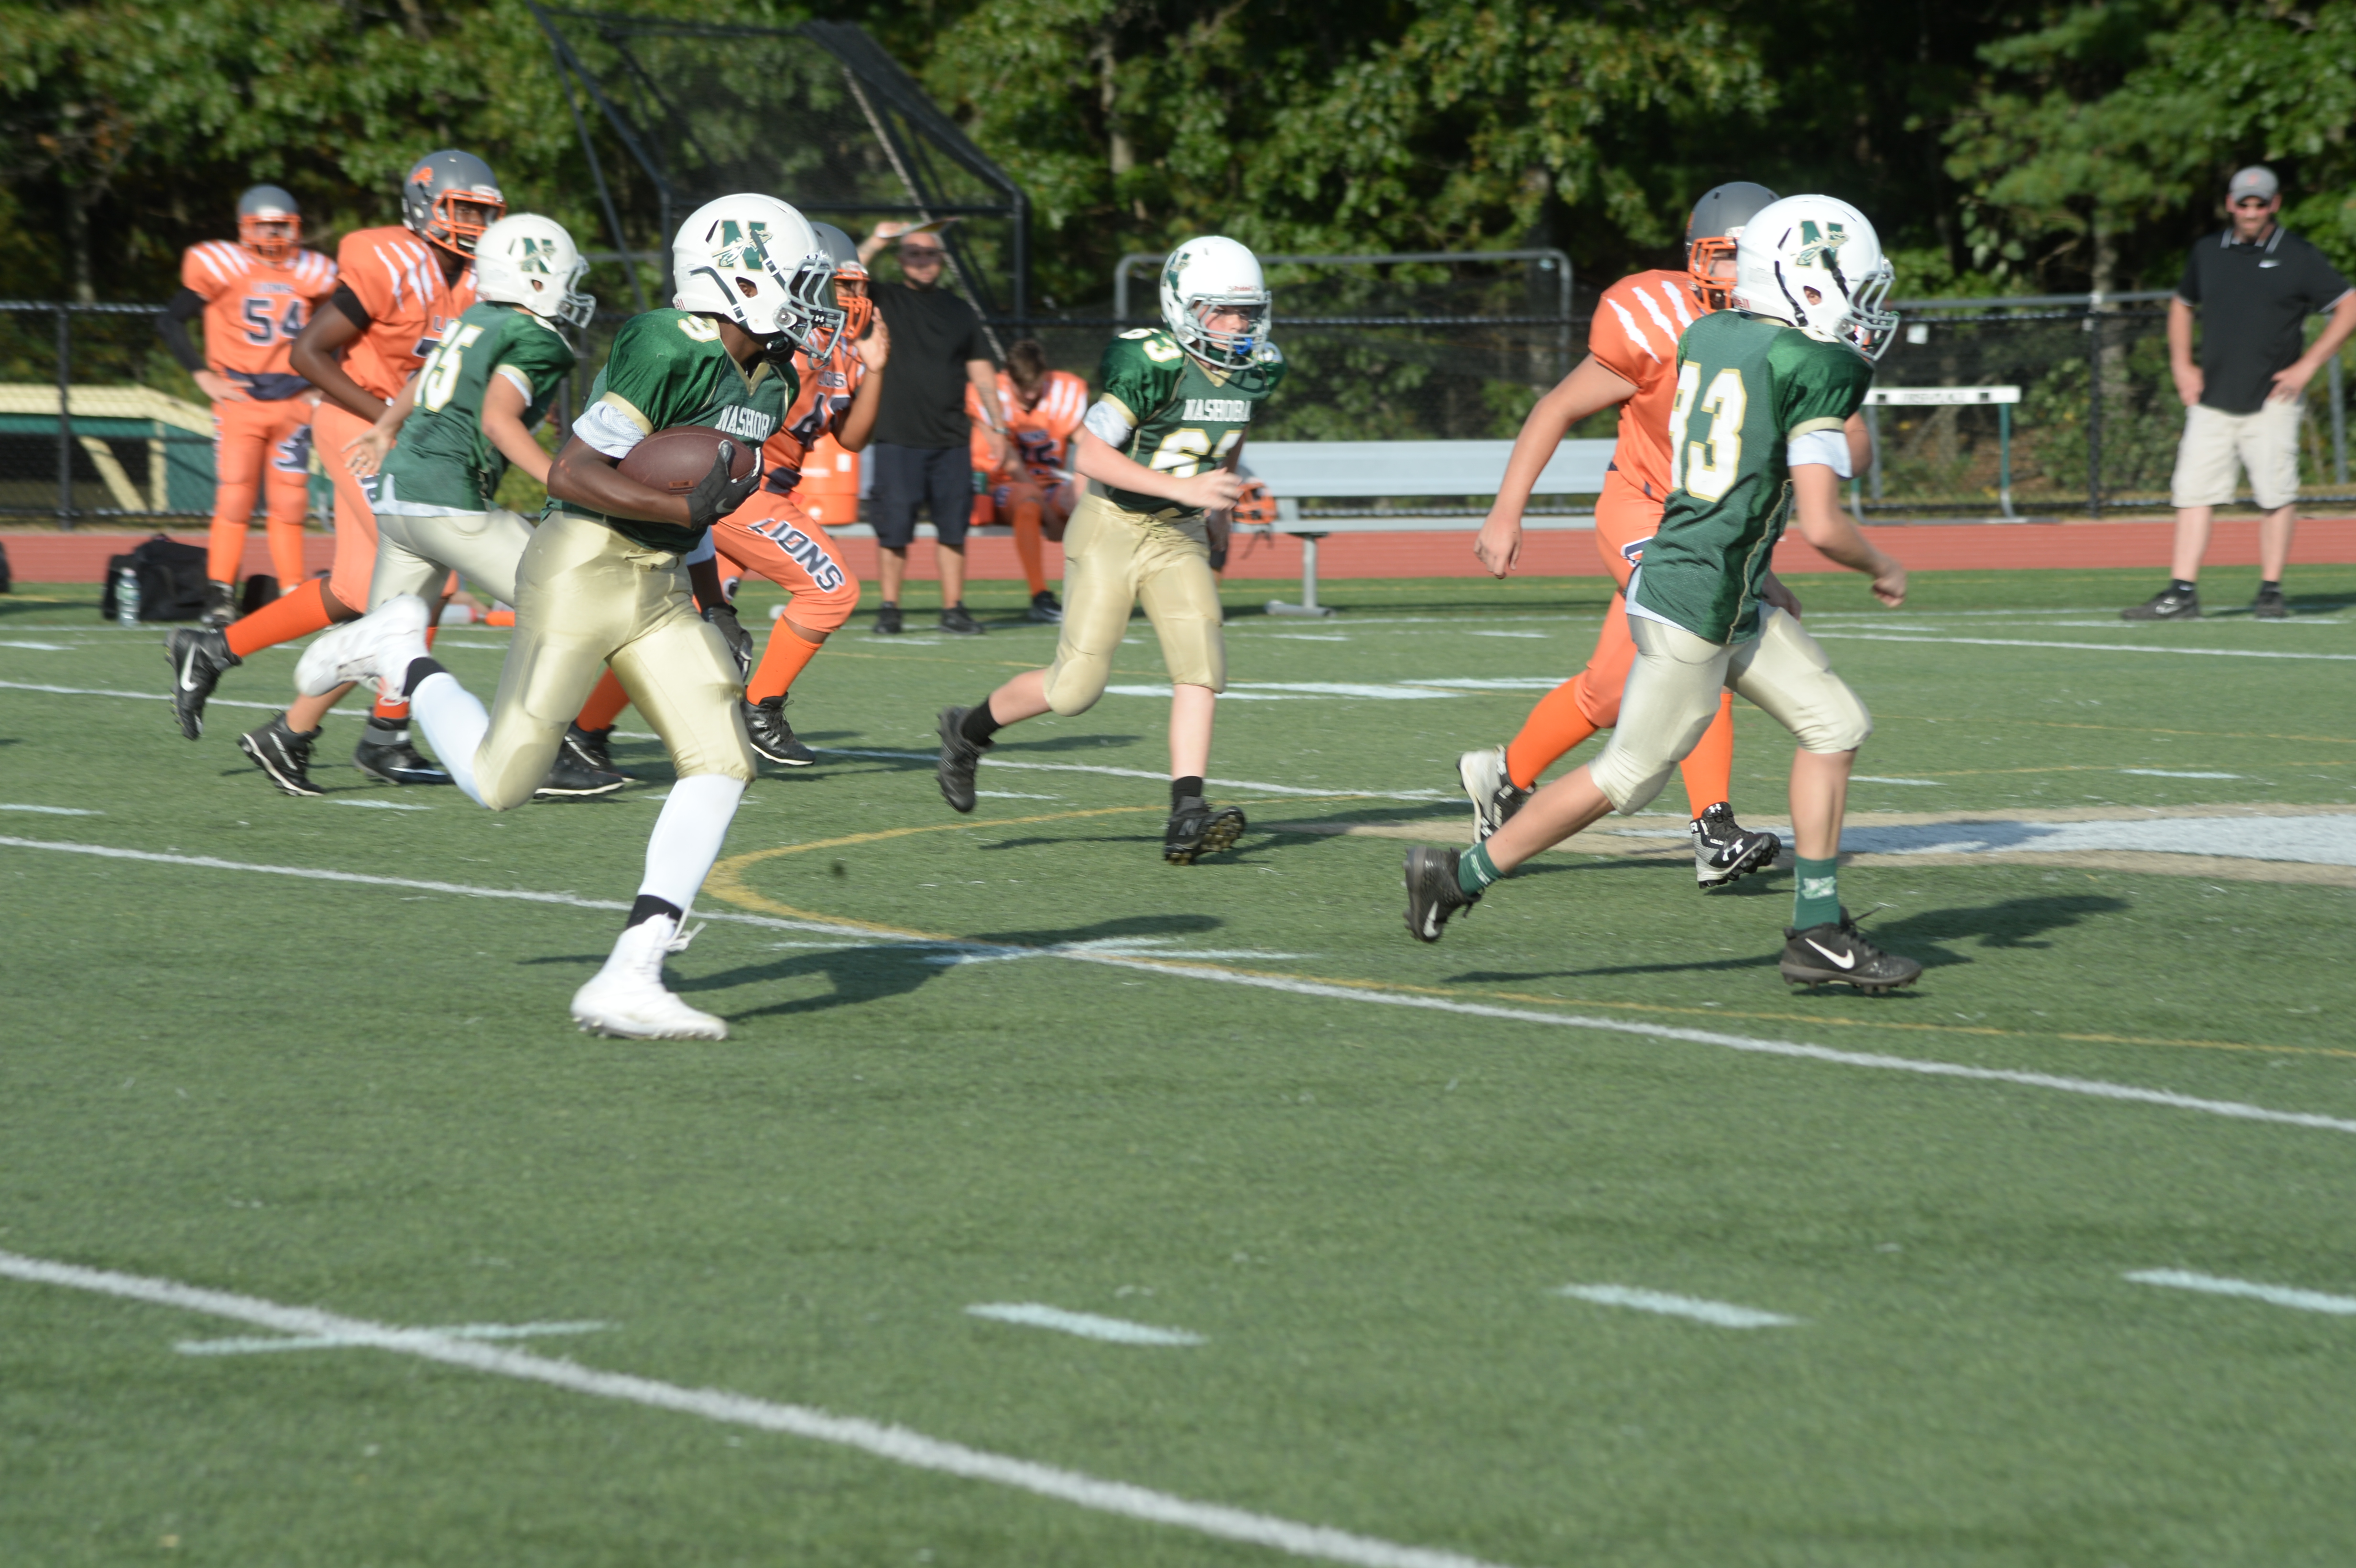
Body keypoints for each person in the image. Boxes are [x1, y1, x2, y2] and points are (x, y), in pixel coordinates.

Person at [290, 194, 842, 1039]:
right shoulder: (665, 342)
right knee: (502, 783)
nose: (813, 303)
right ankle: (401, 653)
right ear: (742, 277)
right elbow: (573, 472)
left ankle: (631, 974)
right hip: (583, 566)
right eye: (799, 281)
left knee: (722, 761)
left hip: (659, 583)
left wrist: (712, 596)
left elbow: (702, 500)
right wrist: (680, 513)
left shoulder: (775, 379)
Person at [1402, 196, 1922, 994]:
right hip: (1697, 598)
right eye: (1853, 286)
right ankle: (1457, 874)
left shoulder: (1713, 334)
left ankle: (1817, 930)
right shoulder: (1816, 365)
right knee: (1627, 777)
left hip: (1714, 577)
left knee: (1835, 724)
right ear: (1805, 284)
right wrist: (1882, 565)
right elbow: (1822, 524)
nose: (1865, 307)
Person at [1462, 182, 1863, 893]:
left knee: (1609, 693)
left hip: (1713, 526)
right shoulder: (1655, 317)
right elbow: (1556, 407)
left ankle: (1502, 774)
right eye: (1723, 254)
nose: (1734, 271)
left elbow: (1851, 446)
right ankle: (1714, 826)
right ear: (1696, 257)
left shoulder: (1799, 335)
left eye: (1747, 253)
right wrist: (1505, 512)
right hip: (1642, 509)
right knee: (1710, 633)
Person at [164, 149, 504, 793]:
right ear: (424, 206)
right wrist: (388, 422)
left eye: (484, 213)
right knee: (424, 572)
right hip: (359, 422)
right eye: (462, 210)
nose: (475, 226)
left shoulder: (479, 278)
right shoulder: (392, 260)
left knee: (355, 592)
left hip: (402, 432)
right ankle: (382, 735)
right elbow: (308, 352)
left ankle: (222, 659)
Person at [934, 235, 1281, 865]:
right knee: (1074, 689)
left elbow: (1233, 427)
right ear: (1182, 306)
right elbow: (1090, 456)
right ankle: (967, 729)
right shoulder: (1148, 359)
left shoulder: (1257, 366)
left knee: (1201, 665)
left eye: (1246, 312)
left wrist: (1219, 502)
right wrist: (1187, 488)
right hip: (1112, 526)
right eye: (1222, 311)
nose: (1236, 325)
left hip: (1178, 533)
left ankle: (1186, 811)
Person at [321, 214, 622, 806]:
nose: (572, 289)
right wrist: (564, 481)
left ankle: (346, 702)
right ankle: (539, 752)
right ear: (535, 279)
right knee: (571, 606)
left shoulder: (474, 318)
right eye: (565, 276)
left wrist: (385, 428)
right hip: (448, 503)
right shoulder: (535, 338)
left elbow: (427, 374)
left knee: (392, 635)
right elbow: (498, 422)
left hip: (399, 495)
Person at [567, 221, 889, 772]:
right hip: (741, 486)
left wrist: (875, 369)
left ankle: (584, 733)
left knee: (685, 618)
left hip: (759, 492)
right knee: (831, 591)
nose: (852, 301)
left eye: (857, 288)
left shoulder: (835, 349)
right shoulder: (776, 343)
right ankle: (760, 710)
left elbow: (852, 438)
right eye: (839, 287)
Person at [2126, 165, 2356, 622]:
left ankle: (2270, 591)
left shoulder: (2298, 255)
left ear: (2275, 205)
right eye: (2244, 203)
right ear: (2230, 204)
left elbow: (2348, 306)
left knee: (2276, 495)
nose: (2251, 212)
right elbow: (2182, 304)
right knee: (2193, 494)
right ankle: (2182, 593)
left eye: (2260, 204)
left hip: (2273, 400)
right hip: (2212, 400)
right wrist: (2182, 365)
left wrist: (2308, 365)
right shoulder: (2207, 251)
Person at [154, 185, 339, 627]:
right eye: (264, 226)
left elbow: (339, 331)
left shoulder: (315, 270)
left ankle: (293, 591)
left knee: (290, 503)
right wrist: (203, 375)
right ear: (244, 229)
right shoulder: (222, 265)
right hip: (241, 400)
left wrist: (323, 384)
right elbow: (170, 320)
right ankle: (221, 593)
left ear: (296, 228)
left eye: (281, 226)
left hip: (294, 400)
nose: (273, 234)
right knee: (235, 497)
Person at [854, 221, 1009, 634]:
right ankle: (890, 609)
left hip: (952, 440)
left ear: (941, 260)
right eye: (914, 253)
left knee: (954, 529)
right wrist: (878, 240)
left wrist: (998, 427)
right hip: (897, 437)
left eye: (930, 254)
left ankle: (954, 610)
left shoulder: (961, 311)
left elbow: (982, 371)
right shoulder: (883, 298)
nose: (923, 261)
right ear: (901, 259)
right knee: (893, 530)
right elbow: (845, 279)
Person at [966, 338, 1088, 623]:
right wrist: (1052, 519)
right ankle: (1040, 596)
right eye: (1024, 387)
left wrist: (1085, 492)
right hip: (998, 486)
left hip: (1047, 483)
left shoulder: (1063, 391)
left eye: (1037, 385)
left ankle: (1098, 591)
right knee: (1027, 500)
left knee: (1093, 502)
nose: (1032, 394)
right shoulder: (990, 393)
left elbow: (1087, 445)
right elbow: (1011, 464)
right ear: (1008, 378)